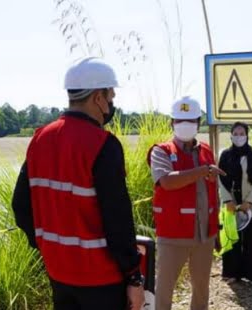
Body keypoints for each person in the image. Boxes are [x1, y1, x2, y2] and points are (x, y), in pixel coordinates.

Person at [12, 57, 145, 310]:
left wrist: (46, 248)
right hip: (101, 279)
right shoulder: (104, 144)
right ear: (98, 97)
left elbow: (20, 207)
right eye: (111, 96)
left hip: (58, 274)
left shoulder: (40, 138)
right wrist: (134, 277)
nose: (112, 103)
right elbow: (118, 219)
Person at [147, 96, 225, 310]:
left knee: (201, 288)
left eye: (190, 121)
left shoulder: (207, 151)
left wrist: (215, 230)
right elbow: (167, 181)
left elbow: (213, 194)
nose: (185, 125)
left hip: (203, 235)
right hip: (172, 235)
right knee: (165, 288)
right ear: (172, 123)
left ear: (198, 123)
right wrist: (202, 171)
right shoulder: (161, 151)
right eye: (180, 121)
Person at [218, 122, 252, 283]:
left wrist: (249, 202)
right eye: (235, 134)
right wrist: (227, 200)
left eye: (242, 133)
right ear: (231, 136)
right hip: (230, 204)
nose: (239, 137)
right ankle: (231, 273)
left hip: (250, 206)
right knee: (231, 239)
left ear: (247, 135)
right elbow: (220, 180)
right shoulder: (224, 154)